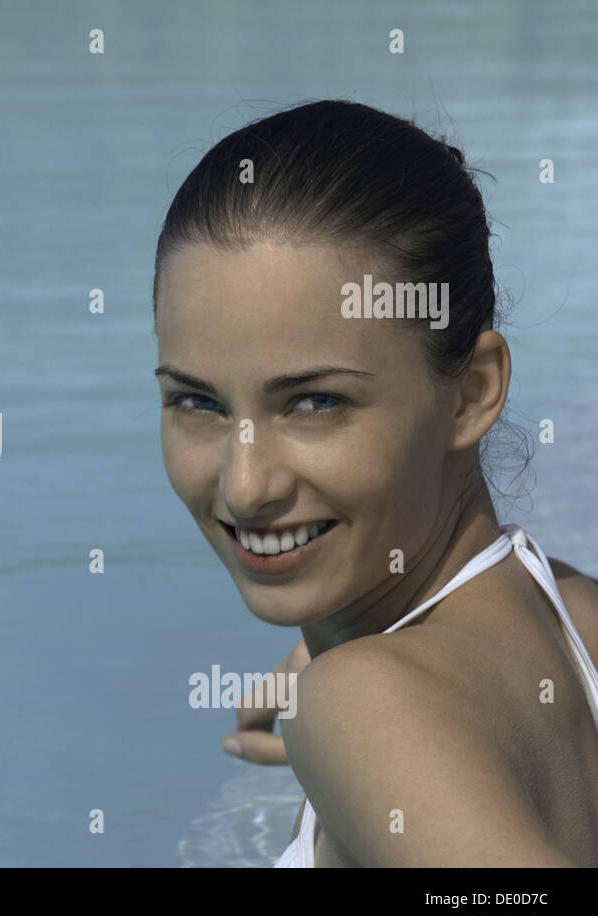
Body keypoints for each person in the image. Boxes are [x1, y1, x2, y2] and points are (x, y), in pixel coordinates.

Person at [152, 99, 598, 866]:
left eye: (316, 402)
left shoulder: (358, 702)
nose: (245, 484)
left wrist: (360, 720)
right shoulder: (575, 619)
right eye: (198, 401)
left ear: (472, 392)